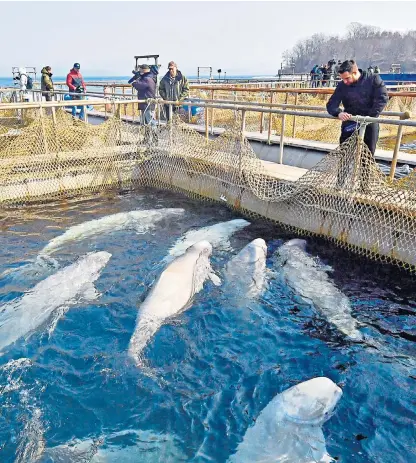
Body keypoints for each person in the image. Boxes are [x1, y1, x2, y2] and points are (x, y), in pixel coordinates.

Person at [326, 60, 389, 189]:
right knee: (344, 155)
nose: (345, 81)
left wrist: (369, 118)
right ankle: (339, 185)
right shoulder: (342, 86)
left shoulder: (373, 80)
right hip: (350, 123)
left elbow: (382, 98)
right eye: (342, 79)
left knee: (367, 156)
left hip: (370, 123)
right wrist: (338, 113)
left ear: (355, 72)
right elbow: (331, 104)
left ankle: (364, 186)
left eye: (347, 78)